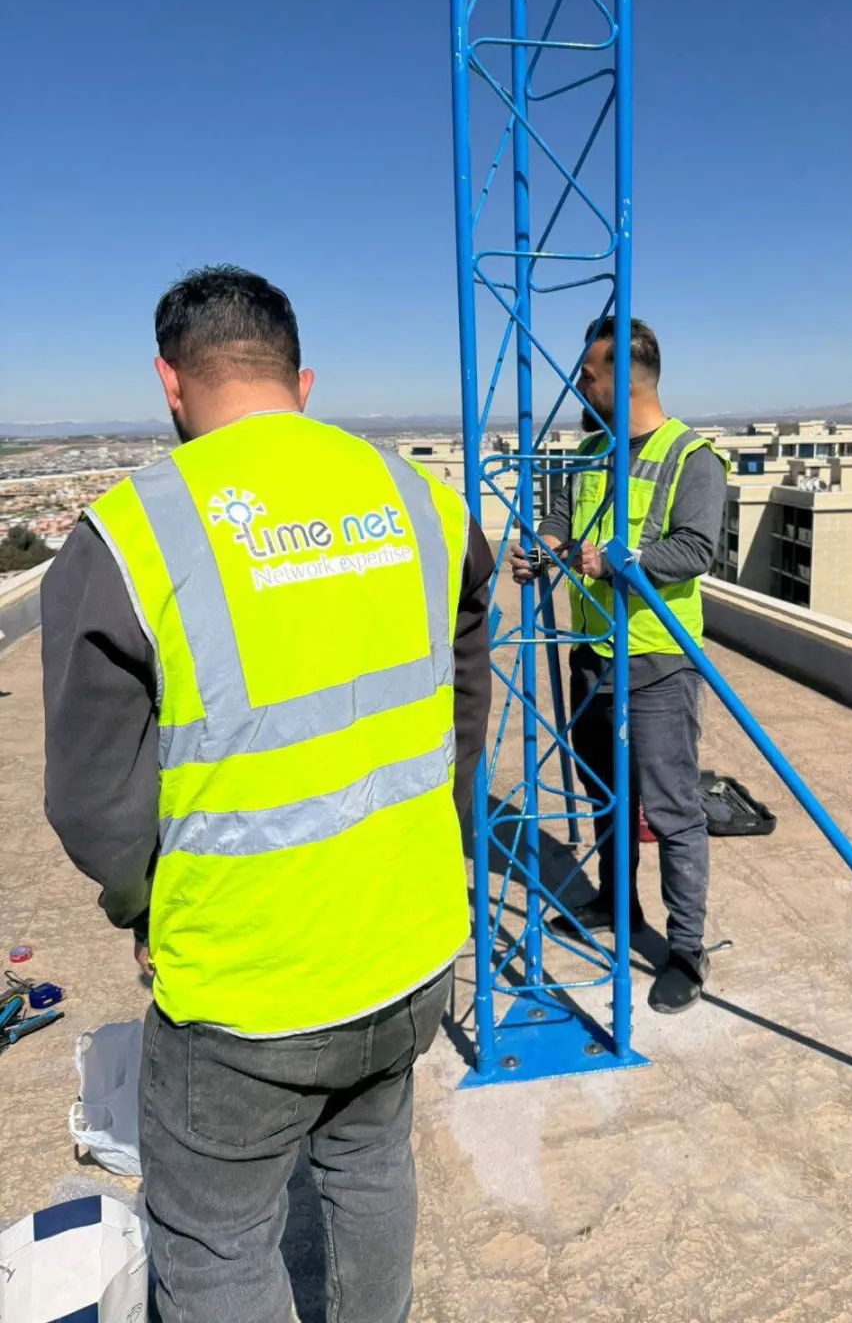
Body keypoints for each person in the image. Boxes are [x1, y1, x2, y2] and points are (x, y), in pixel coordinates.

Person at [41, 265, 493, 1323]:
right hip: (412, 940)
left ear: (169, 381)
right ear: (302, 381)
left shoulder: (131, 535)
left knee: (217, 1243)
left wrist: (143, 905)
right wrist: (439, 819)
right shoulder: (420, 501)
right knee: (370, 1167)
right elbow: (467, 682)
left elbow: (92, 802)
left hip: (249, 980)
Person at [511, 317, 727, 1015]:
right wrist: (543, 549)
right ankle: (615, 900)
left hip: (657, 662)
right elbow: (559, 520)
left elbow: (695, 548)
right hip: (594, 654)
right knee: (604, 791)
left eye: (590, 373)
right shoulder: (591, 451)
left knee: (670, 808)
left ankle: (686, 951)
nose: (580, 384)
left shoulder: (689, 457)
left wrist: (610, 562)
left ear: (626, 378)